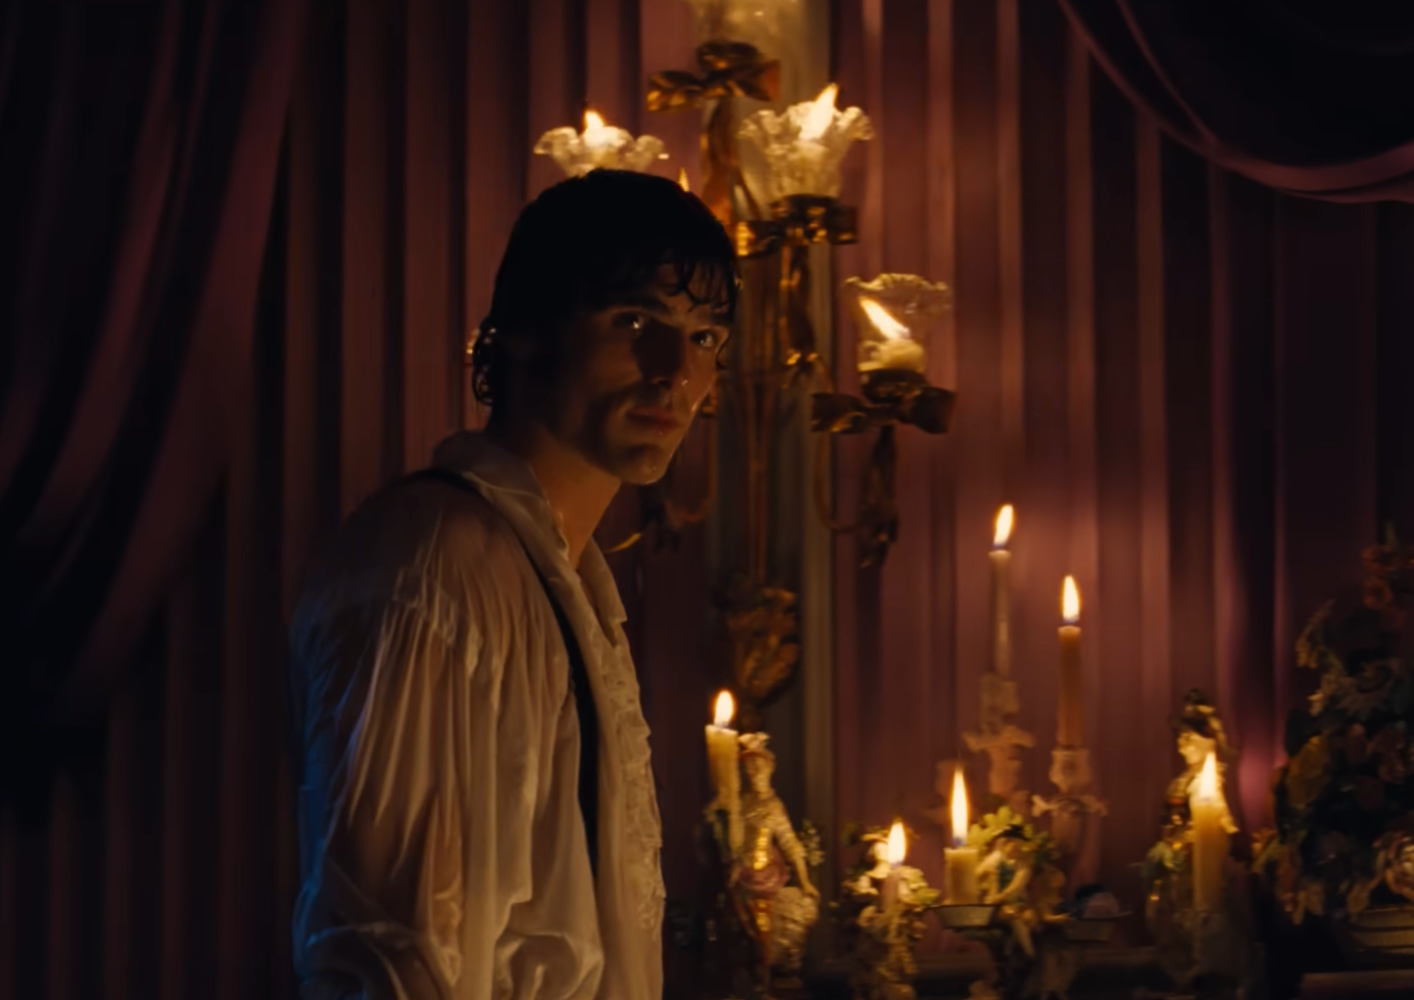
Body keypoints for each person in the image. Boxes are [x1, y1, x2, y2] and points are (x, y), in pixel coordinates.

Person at [287, 169, 737, 1000]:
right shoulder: (436, 561)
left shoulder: (570, 583)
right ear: (526, 331)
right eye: (635, 322)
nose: (676, 371)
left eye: (706, 338)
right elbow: (387, 953)